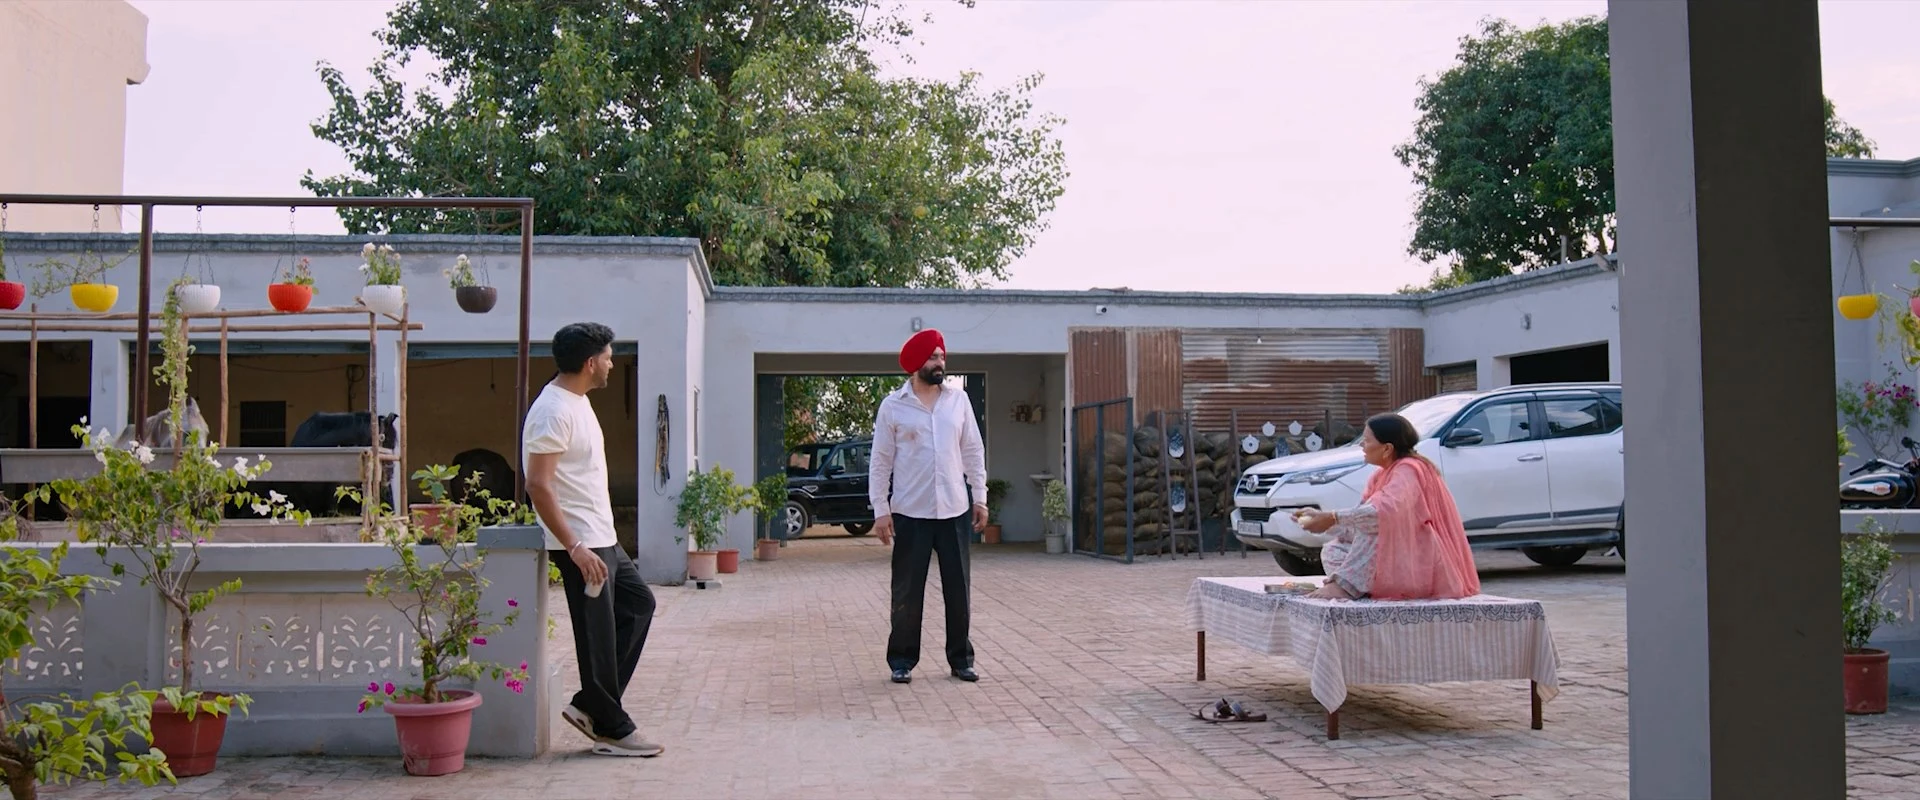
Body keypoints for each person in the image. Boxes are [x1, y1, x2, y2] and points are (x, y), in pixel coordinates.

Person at [522, 322, 663, 758]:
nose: (611, 365)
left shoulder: (577, 401)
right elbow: (538, 485)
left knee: (639, 606)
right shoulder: (552, 411)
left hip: (602, 537)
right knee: (596, 637)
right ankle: (611, 729)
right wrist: (575, 547)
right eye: (607, 357)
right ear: (590, 363)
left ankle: (591, 706)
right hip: (581, 544)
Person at [869, 328, 987, 684]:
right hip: (910, 512)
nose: (940, 363)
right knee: (907, 590)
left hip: (954, 509)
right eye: (933, 357)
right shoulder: (893, 406)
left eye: (942, 356)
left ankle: (961, 659)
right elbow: (880, 461)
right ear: (916, 362)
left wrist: (980, 497)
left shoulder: (958, 401)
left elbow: (973, 450)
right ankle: (902, 660)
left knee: (959, 589)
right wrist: (880, 509)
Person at [1290, 413, 1481, 601]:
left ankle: (1347, 586)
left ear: (1387, 448)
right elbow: (1359, 520)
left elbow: (1382, 514)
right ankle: (1356, 586)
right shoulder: (1381, 475)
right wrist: (1322, 521)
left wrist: (1332, 517)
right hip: (1398, 558)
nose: (1361, 445)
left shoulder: (1409, 469)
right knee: (1334, 549)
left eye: (1367, 440)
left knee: (1376, 528)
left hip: (1419, 560)